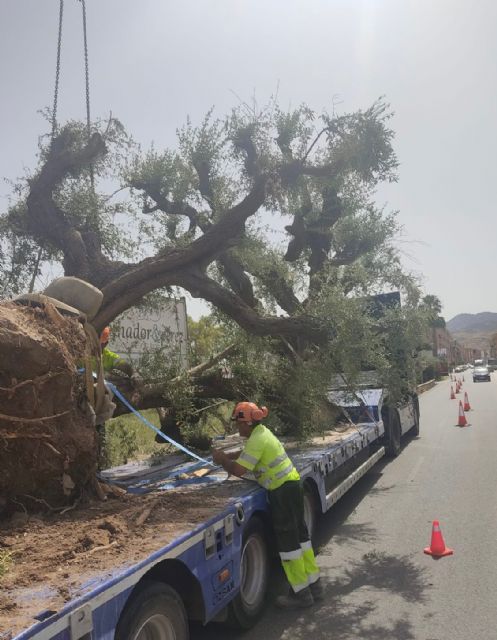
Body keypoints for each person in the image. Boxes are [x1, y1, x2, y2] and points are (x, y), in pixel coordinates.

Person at [212, 401, 323, 609]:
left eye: (238, 423)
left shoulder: (257, 440)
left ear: (246, 423)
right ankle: (315, 586)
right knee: (301, 538)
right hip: (292, 487)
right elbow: (247, 454)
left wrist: (221, 460)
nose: (237, 428)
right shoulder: (262, 433)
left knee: (289, 545)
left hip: (282, 492)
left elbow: (238, 471)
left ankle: (301, 595)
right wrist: (229, 456)